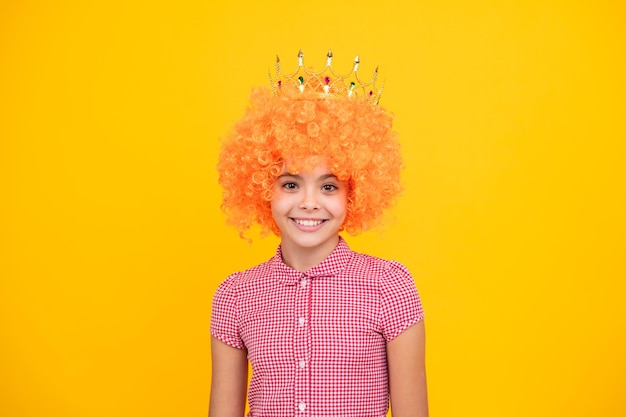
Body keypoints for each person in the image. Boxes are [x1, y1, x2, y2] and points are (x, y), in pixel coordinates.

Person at [209, 50, 428, 417]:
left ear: (353, 193)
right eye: (291, 184)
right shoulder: (235, 296)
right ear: (263, 188)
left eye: (329, 187)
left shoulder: (390, 287)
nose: (309, 203)